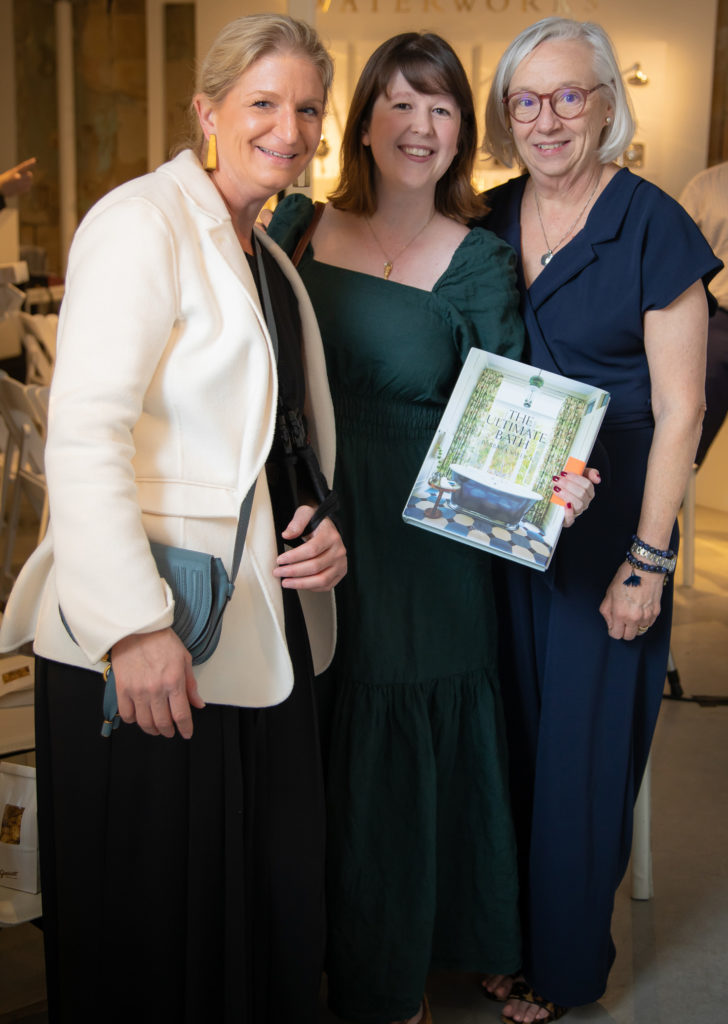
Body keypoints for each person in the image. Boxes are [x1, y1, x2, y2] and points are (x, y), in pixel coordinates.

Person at [0, 15, 346, 1024]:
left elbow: (276, 435)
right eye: (263, 104)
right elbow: (84, 434)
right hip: (157, 631)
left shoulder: (266, 248)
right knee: (155, 916)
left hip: (254, 618)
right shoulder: (138, 221)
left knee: (249, 895)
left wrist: (324, 523)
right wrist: (133, 625)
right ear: (207, 111)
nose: (288, 128)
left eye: (306, 109)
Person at [268, 32, 594, 1024]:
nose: (420, 127)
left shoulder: (481, 261)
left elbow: (508, 422)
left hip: (425, 545)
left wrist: (555, 484)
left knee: (402, 731)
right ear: (361, 120)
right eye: (401, 105)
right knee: (306, 727)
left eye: (442, 108)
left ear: (463, 131)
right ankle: (309, 948)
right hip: (306, 514)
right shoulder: (291, 225)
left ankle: (395, 966)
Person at [476, 17, 722, 1023]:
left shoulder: (651, 225)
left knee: (581, 752)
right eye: (525, 101)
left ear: (605, 106)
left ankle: (562, 966)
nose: (546, 119)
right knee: (510, 741)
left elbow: (681, 410)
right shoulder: (484, 218)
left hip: (612, 527)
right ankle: (503, 936)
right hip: (500, 521)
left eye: (568, 96)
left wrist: (647, 560)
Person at [680, 161, 728, 464]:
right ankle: (669, 507)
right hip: (718, 324)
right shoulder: (707, 184)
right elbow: (677, 251)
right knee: (690, 436)